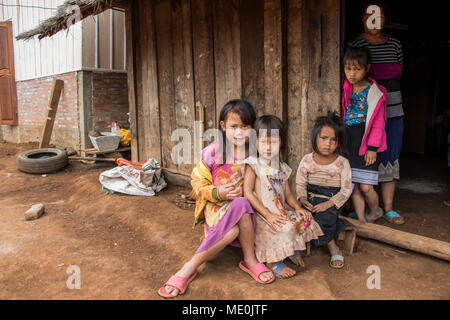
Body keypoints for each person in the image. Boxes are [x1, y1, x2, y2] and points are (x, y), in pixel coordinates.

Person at [158, 99, 274, 298]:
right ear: (223, 126)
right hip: (217, 212)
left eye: (245, 126)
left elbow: (266, 183)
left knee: (242, 203)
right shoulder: (213, 152)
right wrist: (217, 193)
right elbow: (197, 183)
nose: (239, 132)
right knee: (231, 231)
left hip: (245, 211)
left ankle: (193, 266)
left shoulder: (255, 154)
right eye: (233, 126)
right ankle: (246, 260)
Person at [243, 115, 323, 279]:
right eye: (263, 141)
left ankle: (290, 251)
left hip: (280, 212)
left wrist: (298, 208)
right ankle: (272, 262)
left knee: (305, 220)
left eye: (273, 142)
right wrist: (268, 214)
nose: (268, 147)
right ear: (255, 143)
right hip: (263, 215)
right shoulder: (254, 164)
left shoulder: (282, 168)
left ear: (281, 143)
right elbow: (247, 192)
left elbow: (287, 194)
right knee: (285, 228)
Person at [349, 1, 405, 224]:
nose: (373, 21)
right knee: (365, 157)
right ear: (362, 18)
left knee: (390, 155)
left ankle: (388, 208)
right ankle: (364, 208)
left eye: (378, 16)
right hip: (366, 115)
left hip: (393, 109)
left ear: (385, 19)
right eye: (368, 16)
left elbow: (398, 74)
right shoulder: (356, 43)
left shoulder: (395, 45)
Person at [296, 112, 353, 269]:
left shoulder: (342, 163)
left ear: (338, 142)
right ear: (315, 138)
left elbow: (347, 189)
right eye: (324, 138)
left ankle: (332, 246)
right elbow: (300, 183)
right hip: (309, 199)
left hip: (331, 200)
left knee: (323, 220)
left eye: (333, 140)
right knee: (299, 218)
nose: (328, 143)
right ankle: (296, 248)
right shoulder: (307, 160)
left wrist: (328, 204)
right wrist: (302, 199)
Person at [342, 46, 387, 223]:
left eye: (357, 69)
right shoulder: (347, 87)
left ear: (367, 68)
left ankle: (375, 211)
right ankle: (361, 220)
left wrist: (372, 148)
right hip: (349, 141)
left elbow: (378, 124)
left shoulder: (375, 92)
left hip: (366, 142)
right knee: (354, 185)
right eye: (348, 68)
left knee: (366, 186)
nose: (351, 74)